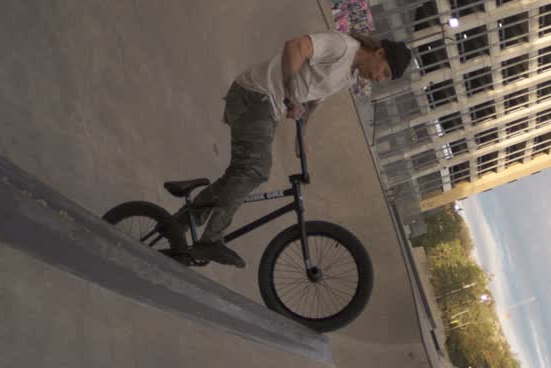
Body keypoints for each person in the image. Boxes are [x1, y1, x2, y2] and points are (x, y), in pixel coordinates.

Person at [174, 31, 412, 267]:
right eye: (385, 71)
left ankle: (178, 224)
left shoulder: (350, 77)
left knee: (237, 178)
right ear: (379, 53)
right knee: (254, 169)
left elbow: (312, 100)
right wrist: (289, 95)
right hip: (256, 94)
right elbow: (295, 47)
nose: (380, 78)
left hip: (269, 107)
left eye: (386, 78)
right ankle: (210, 240)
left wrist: (301, 137)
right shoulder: (341, 47)